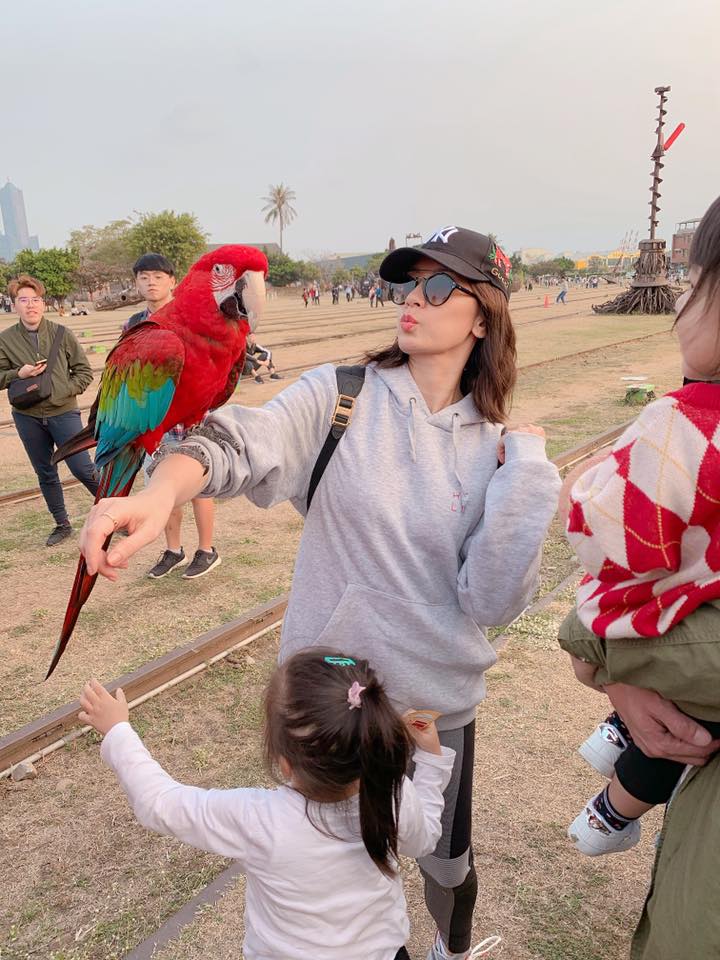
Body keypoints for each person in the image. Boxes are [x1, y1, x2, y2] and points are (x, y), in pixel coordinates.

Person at [79, 226, 560, 960]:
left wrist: (526, 474)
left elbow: (493, 602)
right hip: (328, 706)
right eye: (405, 283)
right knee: (315, 867)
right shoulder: (340, 397)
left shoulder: (499, 448)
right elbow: (239, 443)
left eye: (438, 288)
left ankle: (449, 947)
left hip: (433, 711)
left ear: (485, 315)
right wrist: (162, 492)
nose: (411, 301)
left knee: (443, 861)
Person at [557, 196, 720, 953]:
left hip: (655, 629)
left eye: (696, 283)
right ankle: (620, 749)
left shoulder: (684, 422)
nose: (681, 300)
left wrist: (579, 491)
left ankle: (616, 764)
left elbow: (618, 536)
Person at [77, 649, 456, 960]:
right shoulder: (391, 797)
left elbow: (160, 802)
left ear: (283, 761)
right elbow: (424, 840)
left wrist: (118, 731)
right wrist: (433, 760)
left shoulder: (258, 819)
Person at [124, 253, 221, 581]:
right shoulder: (134, 324)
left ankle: (207, 550)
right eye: (144, 277)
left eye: (158, 276)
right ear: (136, 283)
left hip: (192, 418)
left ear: (172, 281)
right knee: (160, 485)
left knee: (200, 485)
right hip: (155, 420)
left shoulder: (192, 317)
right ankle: (174, 550)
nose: (151, 282)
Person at [0, 274, 99, 545]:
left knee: (82, 468)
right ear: (14, 305)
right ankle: (61, 523)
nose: (30, 305)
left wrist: (62, 391)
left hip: (63, 412)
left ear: (43, 303)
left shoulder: (61, 333)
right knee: (45, 471)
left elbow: (83, 373)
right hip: (27, 416)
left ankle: (115, 513)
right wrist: (17, 374)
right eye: (23, 300)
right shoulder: (5, 339)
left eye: (35, 299)